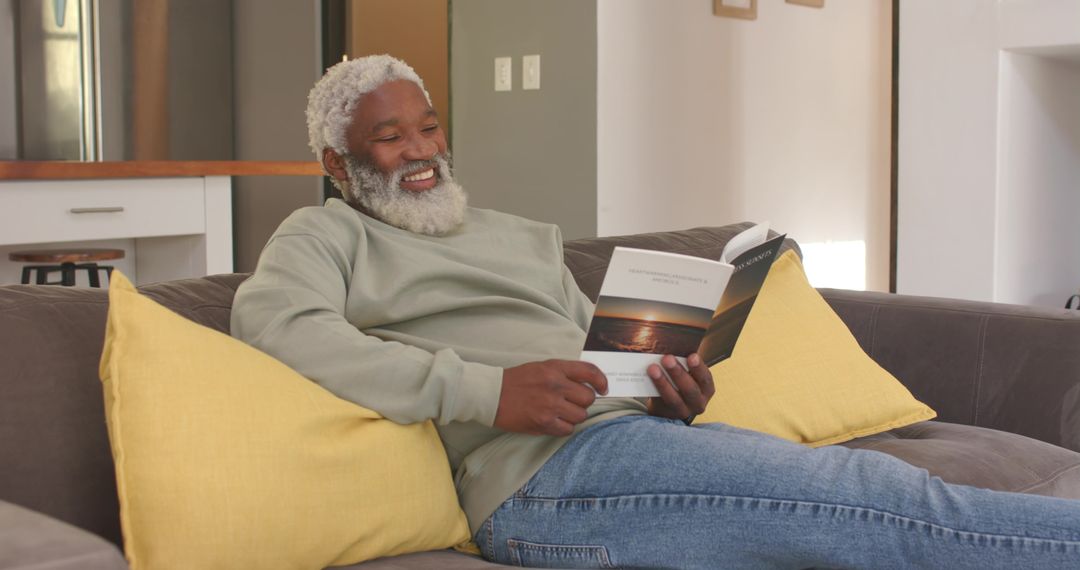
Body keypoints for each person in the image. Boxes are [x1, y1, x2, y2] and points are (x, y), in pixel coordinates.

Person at [231, 55, 1080, 569]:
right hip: (541, 486)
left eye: (428, 127)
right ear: (337, 164)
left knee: (861, 519)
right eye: (390, 139)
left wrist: (666, 389)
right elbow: (279, 329)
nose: (421, 152)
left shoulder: (519, 235)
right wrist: (487, 392)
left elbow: (594, 358)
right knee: (872, 496)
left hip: (636, 444)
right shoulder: (325, 234)